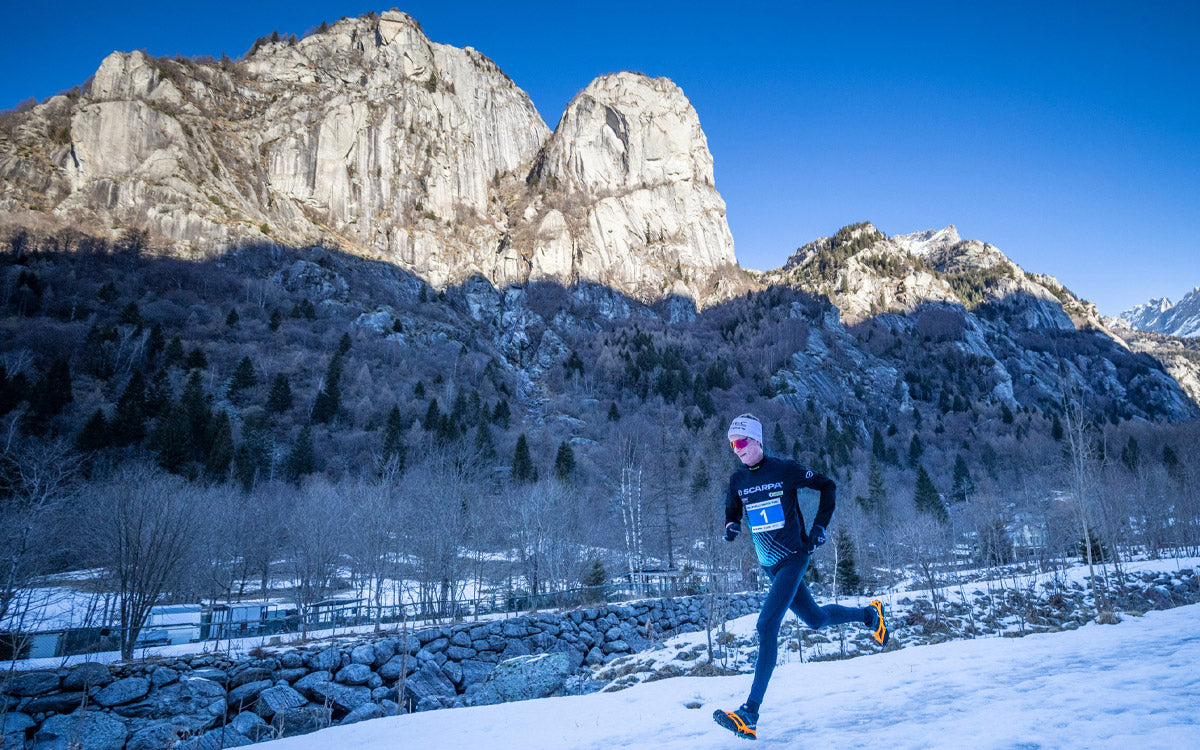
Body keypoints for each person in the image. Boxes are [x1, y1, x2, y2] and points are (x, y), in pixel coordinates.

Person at [713, 413, 889, 741]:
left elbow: (827, 486)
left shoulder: (785, 470)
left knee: (766, 626)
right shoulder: (738, 481)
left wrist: (820, 527)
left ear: (757, 441)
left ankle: (749, 713)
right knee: (816, 619)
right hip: (771, 566)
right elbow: (732, 508)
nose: (737, 450)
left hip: (795, 558)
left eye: (741, 443)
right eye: (732, 445)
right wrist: (731, 525)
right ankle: (870, 615)